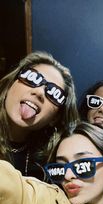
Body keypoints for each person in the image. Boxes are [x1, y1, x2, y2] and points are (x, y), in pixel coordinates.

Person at [0, 51, 79, 179]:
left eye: (54, 94)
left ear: (55, 118)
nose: (39, 92)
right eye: (32, 77)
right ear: (10, 84)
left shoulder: (47, 166)